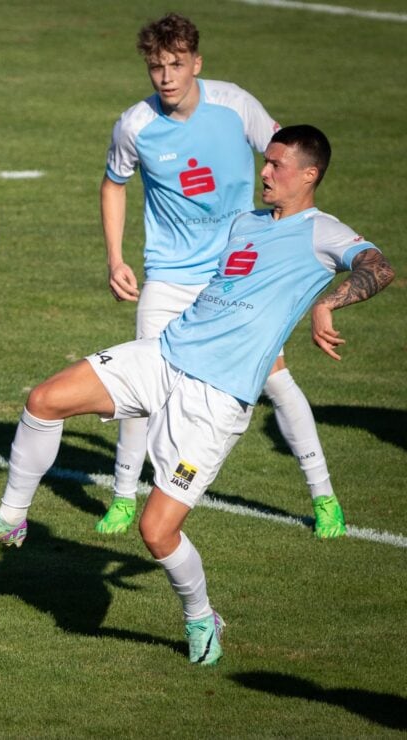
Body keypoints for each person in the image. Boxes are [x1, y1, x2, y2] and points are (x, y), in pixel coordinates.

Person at [0, 125, 393, 665]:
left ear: (309, 174)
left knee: (156, 532)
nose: (265, 172)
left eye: (276, 165)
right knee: (45, 399)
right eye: (265, 162)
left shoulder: (323, 232)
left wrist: (327, 303)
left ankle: (201, 615)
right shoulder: (246, 222)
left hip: (215, 400)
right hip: (164, 355)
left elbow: (379, 266)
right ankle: (11, 517)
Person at [95, 13, 346, 539]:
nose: (166, 77)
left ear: (197, 64)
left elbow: (288, 159)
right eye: (156, 67)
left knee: (276, 381)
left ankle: (323, 496)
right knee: (144, 384)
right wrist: (116, 257)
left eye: (176, 65)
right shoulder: (134, 126)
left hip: (237, 278)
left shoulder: (236, 106)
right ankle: (123, 496)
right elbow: (114, 184)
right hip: (168, 274)